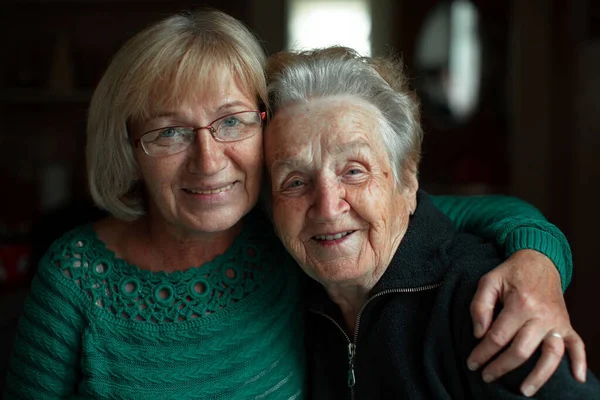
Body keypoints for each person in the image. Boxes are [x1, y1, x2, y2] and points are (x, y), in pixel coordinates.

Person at [2, 9, 584, 400]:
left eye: (231, 122)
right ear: (129, 147)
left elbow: (455, 214)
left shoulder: (286, 230)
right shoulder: (76, 279)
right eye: (169, 132)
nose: (208, 162)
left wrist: (540, 262)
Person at [264, 46, 599, 399]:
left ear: (407, 181)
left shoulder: (481, 301)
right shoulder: (285, 294)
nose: (328, 208)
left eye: (353, 171)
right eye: (295, 182)